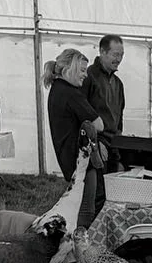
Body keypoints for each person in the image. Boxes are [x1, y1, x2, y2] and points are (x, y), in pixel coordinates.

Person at [42, 48, 109, 229]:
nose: (85, 75)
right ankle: (80, 248)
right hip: (81, 161)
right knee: (87, 209)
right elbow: (99, 124)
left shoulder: (56, 89)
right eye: (81, 70)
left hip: (67, 157)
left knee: (79, 206)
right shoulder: (71, 94)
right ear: (68, 69)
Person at [83, 34, 125, 171]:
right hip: (96, 145)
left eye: (121, 55)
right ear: (102, 52)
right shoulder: (88, 77)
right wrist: (94, 143)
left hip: (114, 145)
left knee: (112, 188)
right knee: (98, 189)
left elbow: (119, 118)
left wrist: (119, 143)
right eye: (115, 55)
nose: (118, 59)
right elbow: (82, 115)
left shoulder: (118, 83)